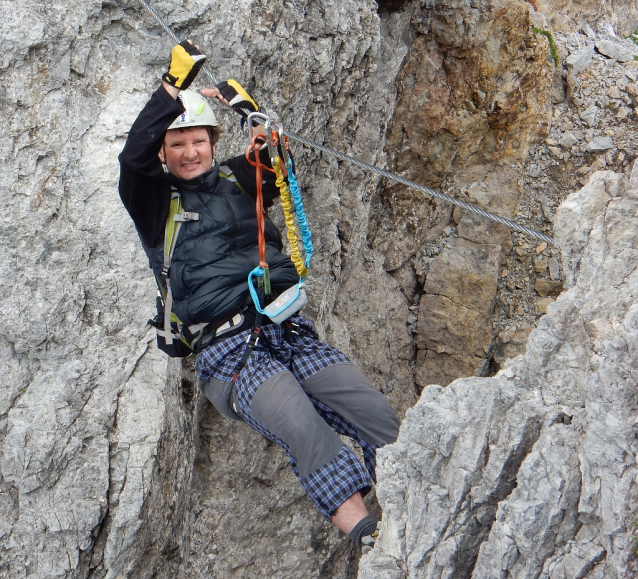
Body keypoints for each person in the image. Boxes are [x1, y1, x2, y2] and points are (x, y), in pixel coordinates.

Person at [118, 41, 400, 553]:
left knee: (376, 415)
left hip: (288, 329)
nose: (189, 152)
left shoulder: (235, 177)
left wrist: (250, 113)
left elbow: (274, 157)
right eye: (176, 144)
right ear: (164, 152)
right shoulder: (154, 202)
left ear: (211, 141)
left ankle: (417, 503)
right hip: (227, 353)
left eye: (197, 140)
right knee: (302, 425)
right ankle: (369, 537)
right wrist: (171, 87)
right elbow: (131, 160)